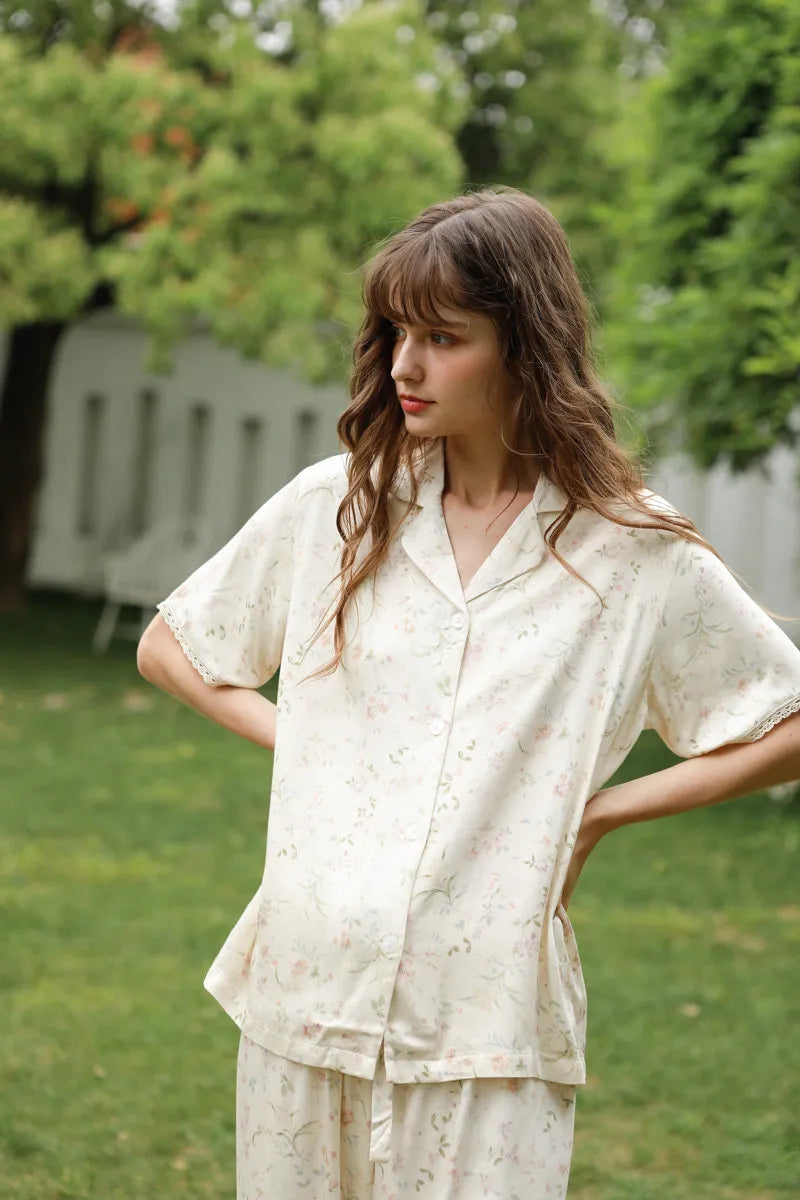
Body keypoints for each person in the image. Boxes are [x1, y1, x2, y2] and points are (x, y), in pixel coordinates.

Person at [137, 186, 800, 1199]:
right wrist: (303, 739)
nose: (404, 365)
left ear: (525, 346)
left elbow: (784, 720)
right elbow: (173, 646)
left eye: (443, 337)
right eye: (396, 332)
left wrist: (600, 813)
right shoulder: (337, 507)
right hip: (307, 985)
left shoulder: (629, 551)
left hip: (487, 1015)